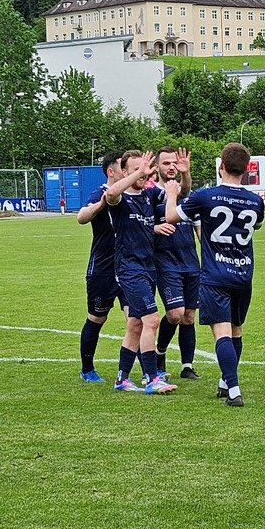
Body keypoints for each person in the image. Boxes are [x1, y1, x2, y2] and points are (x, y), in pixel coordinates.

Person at [165, 142, 264, 407]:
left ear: (220, 166)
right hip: (243, 274)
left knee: (221, 334)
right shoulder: (256, 201)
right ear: (246, 169)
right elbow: (258, 226)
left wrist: (172, 193)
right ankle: (224, 382)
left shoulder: (207, 196)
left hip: (215, 274)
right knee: (236, 331)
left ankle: (233, 391)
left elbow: (171, 217)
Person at [104, 150, 176, 395]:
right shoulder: (121, 199)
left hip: (148, 267)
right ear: (125, 172)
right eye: (136, 169)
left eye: (145, 168)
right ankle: (151, 377)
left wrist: (180, 175)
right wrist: (139, 172)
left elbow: (174, 193)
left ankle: (122, 379)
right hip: (129, 269)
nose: (143, 173)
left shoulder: (148, 195)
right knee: (152, 320)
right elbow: (111, 193)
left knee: (135, 324)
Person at [152, 146, 202, 380]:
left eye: (174, 163)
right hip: (166, 263)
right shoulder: (151, 194)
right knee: (175, 314)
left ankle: (187, 366)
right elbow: (139, 225)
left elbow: (185, 193)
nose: (171, 167)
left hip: (191, 262)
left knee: (189, 316)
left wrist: (186, 174)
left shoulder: (188, 197)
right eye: (166, 163)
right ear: (157, 167)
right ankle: (159, 352)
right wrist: (154, 227)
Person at [76, 151, 126, 383]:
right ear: (111, 171)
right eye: (123, 168)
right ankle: (87, 369)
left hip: (129, 268)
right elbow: (82, 217)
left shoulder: (132, 194)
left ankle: (136, 372)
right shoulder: (100, 193)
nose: (127, 172)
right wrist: (101, 204)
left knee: (137, 319)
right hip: (103, 269)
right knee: (97, 319)